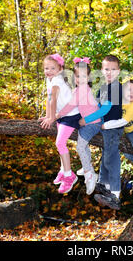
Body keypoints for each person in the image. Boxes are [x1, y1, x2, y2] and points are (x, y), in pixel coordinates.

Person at [56, 57, 111, 195]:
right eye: (77, 76)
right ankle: (87, 166)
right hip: (88, 122)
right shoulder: (78, 90)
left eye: (83, 76)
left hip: (93, 123)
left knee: (80, 146)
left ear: (89, 77)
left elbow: (70, 107)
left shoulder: (83, 90)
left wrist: (57, 116)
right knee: (82, 145)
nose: (80, 79)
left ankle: (89, 174)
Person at [81, 55, 124, 210]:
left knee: (111, 159)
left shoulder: (116, 88)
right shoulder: (103, 88)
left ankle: (115, 194)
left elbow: (105, 109)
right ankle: (104, 186)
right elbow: (97, 107)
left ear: (118, 72)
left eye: (113, 69)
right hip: (104, 127)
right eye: (106, 69)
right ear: (102, 70)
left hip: (113, 128)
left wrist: (87, 119)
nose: (109, 72)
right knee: (105, 156)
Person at [38, 53, 80, 194]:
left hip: (71, 115)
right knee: (60, 144)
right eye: (46, 68)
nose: (48, 71)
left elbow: (54, 101)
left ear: (60, 69)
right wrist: (48, 116)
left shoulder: (57, 81)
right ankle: (63, 170)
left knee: (59, 143)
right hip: (61, 115)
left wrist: (51, 118)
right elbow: (49, 100)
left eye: (52, 68)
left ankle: (69, 176)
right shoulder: (49, 80)